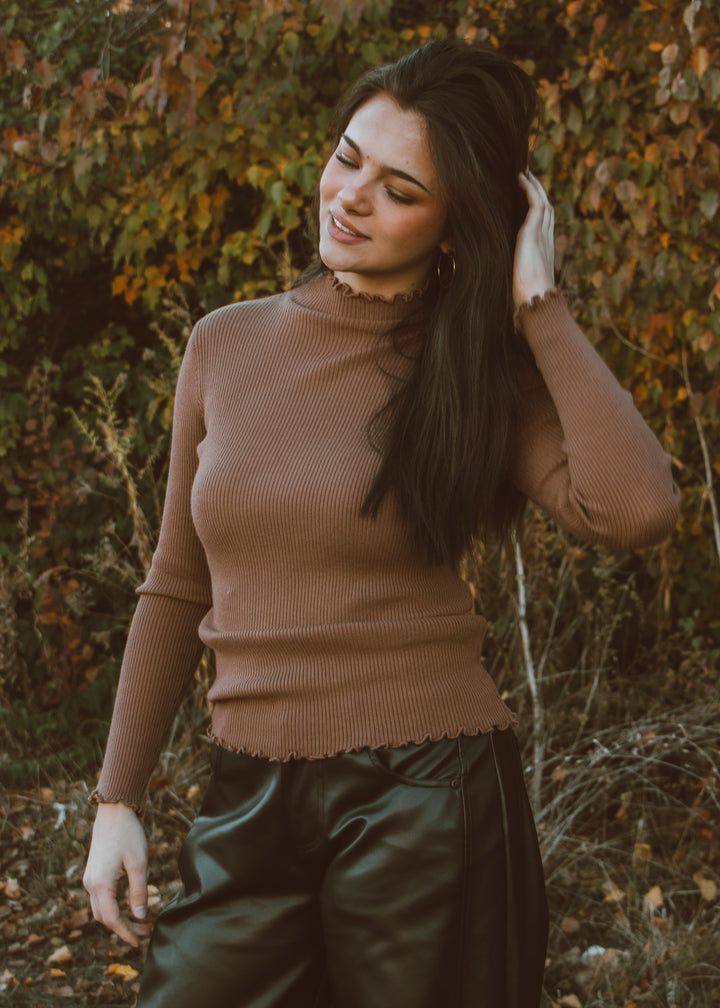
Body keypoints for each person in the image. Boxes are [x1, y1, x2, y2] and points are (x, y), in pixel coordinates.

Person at [83, 38, 680, 1008]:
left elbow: (639, 507)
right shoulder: (225, 345)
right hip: (248, 795)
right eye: (348, 158)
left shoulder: (480, 373)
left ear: (455, 227)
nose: (351, 197)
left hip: (428, 799)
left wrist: (539, 303)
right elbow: (177, 584)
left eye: (399, 190)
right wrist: (118, 797)